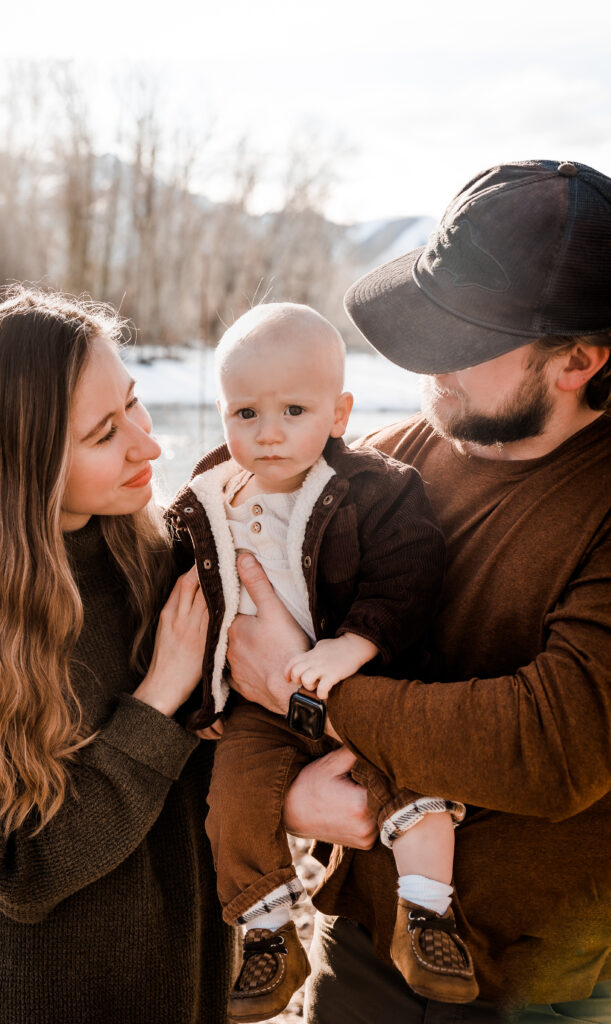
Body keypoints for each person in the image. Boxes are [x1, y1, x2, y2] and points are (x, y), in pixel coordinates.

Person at [224, 159, 611, 1022]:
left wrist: (308, 693)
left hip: (537, 982)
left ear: (578, 360)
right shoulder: (387, 459)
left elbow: (552, 742)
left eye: (463, 337)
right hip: (359, 950)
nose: (426, 360)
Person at [0, 286, 234, 1024]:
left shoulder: (155, 551)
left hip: (186, 977)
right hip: (39, 997)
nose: (149, 444)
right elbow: (20, 873)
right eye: (104, 433)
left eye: (134, 402)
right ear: (20, 463)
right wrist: (159, 698)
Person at [166, 301, 473, 1021]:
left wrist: (355, 642)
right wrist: (199, 706)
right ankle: (269, 932)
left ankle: (427, 915)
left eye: (293, 410)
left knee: (413, 786)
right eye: (244, 413)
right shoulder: (202, 503)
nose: (267, 433)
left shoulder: (376, 488)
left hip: (367, 685)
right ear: (221, 414)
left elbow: (410, 573)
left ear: (338, 412)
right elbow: (188, 609)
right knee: (232, 803)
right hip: (254, 708)